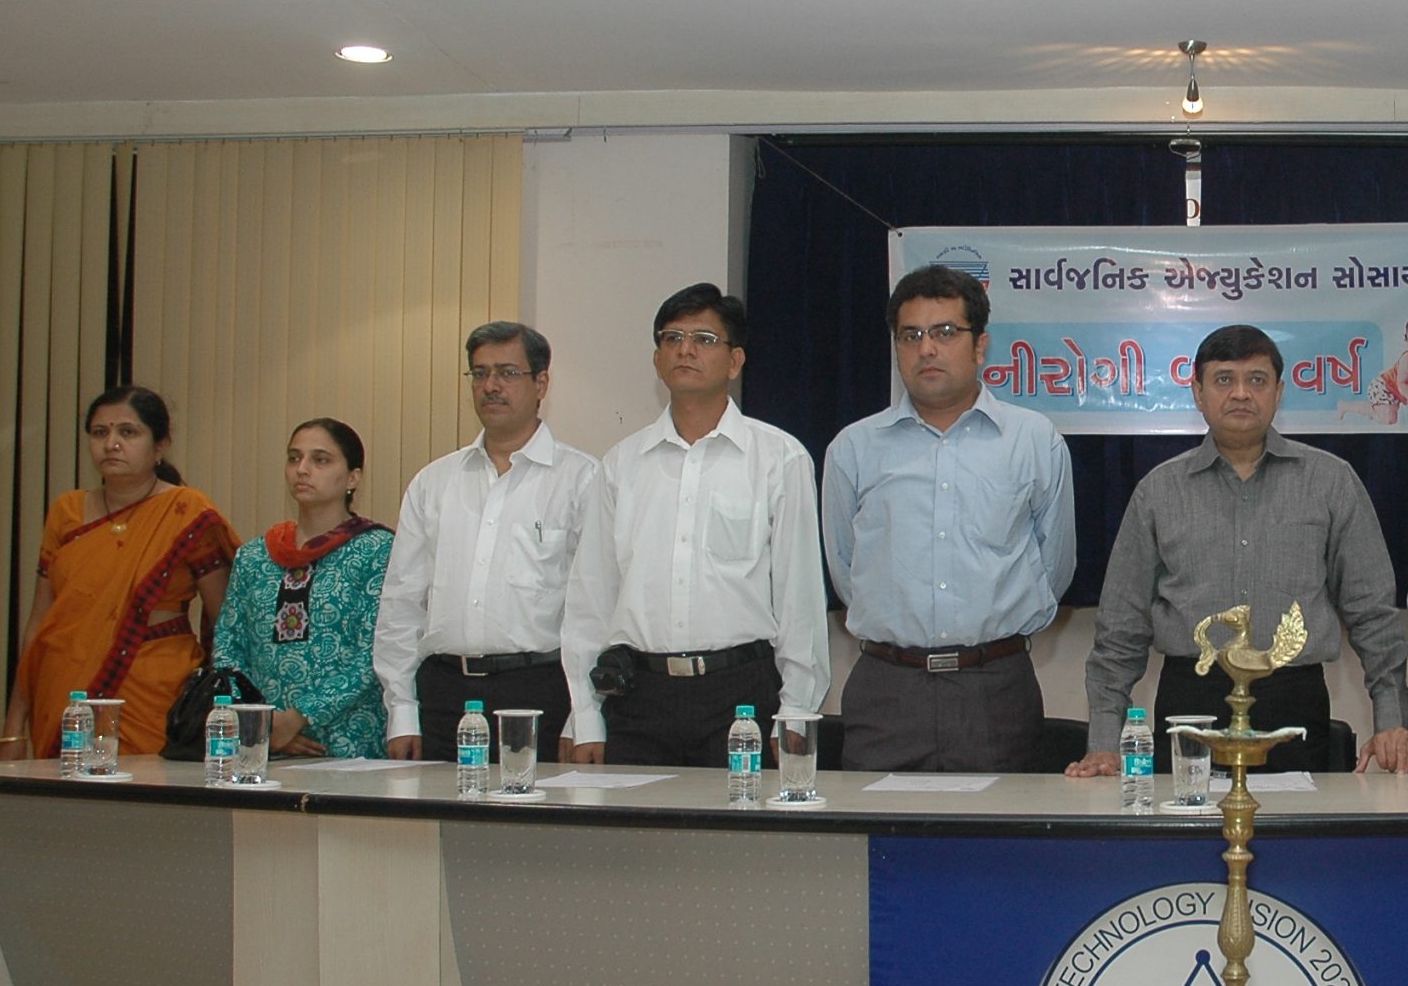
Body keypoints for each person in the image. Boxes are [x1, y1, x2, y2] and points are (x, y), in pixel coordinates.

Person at [1067, 324, 1408, 777]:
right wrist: (1103, 743)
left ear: (1279, 392)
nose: (1241, 393)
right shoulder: (1159, 491)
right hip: (1190, 703)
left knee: (1296, 824)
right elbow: (1120, 628)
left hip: (1293, 700)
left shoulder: (1330, 481)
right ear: (1198, 392)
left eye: (1256, 380)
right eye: (1224, 379)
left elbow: (1373, 614)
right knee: (1188, 823)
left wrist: (1391, 720)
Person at [563, 283, 829, 767]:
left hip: (740, 695)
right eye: (672, 338)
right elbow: (591, 599)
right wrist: (584, 715)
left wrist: (795, 709)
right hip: (637, 696)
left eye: (704, 339)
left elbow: (800, 599)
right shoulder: (621, 464)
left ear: (735, 361)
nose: (685, 350)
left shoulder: (778, 458)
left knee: (738, 819)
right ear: (657, 359)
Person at [823, 265, 1075, 771]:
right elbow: (845, 569)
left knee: (997, 822)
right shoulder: (854, 447)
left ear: (980, 346)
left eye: (944, 332)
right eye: (911, 335)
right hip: (887, 689)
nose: (927, 349)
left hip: (995, 688)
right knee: (877, 823)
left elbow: (1055, 566)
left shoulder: (1033, 440)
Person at [374, 321, 602, 760]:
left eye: (507, 373)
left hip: (540, 691)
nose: (491, 386)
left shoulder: (581, 479)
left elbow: (593, 611)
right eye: (480, 373)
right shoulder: (434, 482)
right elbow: (401, 605)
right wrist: (401, 711)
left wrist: (584, 716)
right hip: (442, 693)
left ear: (541, 384)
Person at [1, 386, 237, 758]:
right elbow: (38, 625)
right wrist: (13, 729)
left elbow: (227, 625)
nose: (111, 444)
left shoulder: (186, 511)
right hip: (64, 688)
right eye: (100, 432)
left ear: (160, 446)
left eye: (128, 432)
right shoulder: (67, 512)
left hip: (152, 693)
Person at [210, 419, 394, 760]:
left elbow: (377, 652)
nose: (302, 469)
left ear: (353, 478)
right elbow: (228, 648)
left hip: (349, 741)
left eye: (320, 460)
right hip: (262, 743)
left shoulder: (377, 550)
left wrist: (298, 718)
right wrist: (261, 722)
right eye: (294, 458)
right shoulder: (254, 556)